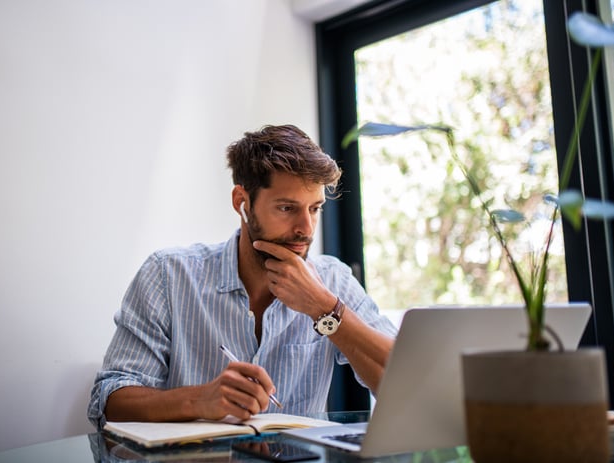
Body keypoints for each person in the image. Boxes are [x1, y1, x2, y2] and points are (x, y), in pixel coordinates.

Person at [88, 124, 397, 429]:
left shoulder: (333, 281)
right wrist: (199, 401)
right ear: (242, 202)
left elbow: (404, 383)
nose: (306, 228)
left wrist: (325, 308)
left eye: (314, 208)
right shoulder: (168, 275)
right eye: (287, 208)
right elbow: (110, 401)